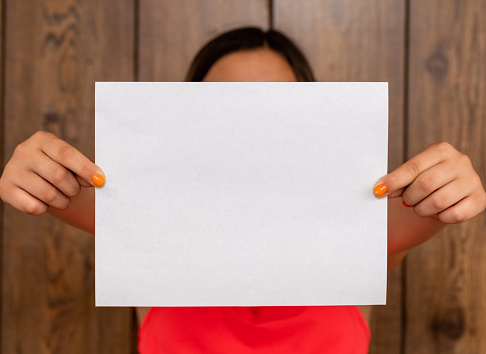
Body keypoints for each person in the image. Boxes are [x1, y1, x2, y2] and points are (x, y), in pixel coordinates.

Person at [0, 27, 485, 353]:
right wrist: (34, 168)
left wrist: (455, 184)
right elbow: (54, 187)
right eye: (224, 105)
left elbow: (429, 208)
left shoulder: (350, 229)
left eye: (277, 107)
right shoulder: (152, 225)